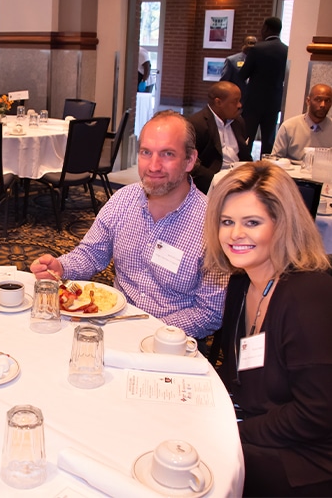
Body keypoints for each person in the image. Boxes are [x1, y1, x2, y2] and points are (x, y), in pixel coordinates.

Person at [30, 110, 228, 339]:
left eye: (167, 154)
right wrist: (61, 267)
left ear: (190, 160)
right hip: (114, 323)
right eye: (146, 152)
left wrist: (151, 332)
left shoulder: (212, 225)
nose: (153, 166)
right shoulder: (124, 199)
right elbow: (92, 253)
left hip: (170, 340)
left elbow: (209, 312)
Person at [204, 162, 332, 496]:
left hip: (307, 456)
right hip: (260, 425)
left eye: (252, 223)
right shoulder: (241, 284)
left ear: (282, 226)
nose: (235, 235)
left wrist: (235, 430)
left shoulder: (308, 298)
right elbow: (239, 375)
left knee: (195, 463)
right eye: (227, 222)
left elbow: (316, 414)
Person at [189, 81, 253, 194]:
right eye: (235, 101)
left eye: (239, 100)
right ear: (218, 102)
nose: (239, 105)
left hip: (239, 179)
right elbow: (191, 163)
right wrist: (217, 179)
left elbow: (245, 156)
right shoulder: (197, 124)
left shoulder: (238, 122)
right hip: (212, 182)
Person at [239, 17, 288, 157]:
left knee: (247, 139)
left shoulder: (256, 49)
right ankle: (266, 168)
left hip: (253, 102)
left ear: (266, 28)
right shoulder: (287, 51)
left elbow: (243, 75)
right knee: (268, 140)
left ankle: (244, 167)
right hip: (274, 102)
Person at [272, 83, 332, 161]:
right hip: (292, 172)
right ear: (308, 101)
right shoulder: (289, 127)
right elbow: (275, 160)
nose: (323, 105)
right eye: (318, 99)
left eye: (327, 101)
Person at [220, 35, 257, 103]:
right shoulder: (232, 60)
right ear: (243, 44)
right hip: (235, 100)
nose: (252, 46)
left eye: (254, 43)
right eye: (250, 43)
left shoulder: (259, 61)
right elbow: (224, 81)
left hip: (253, 102)